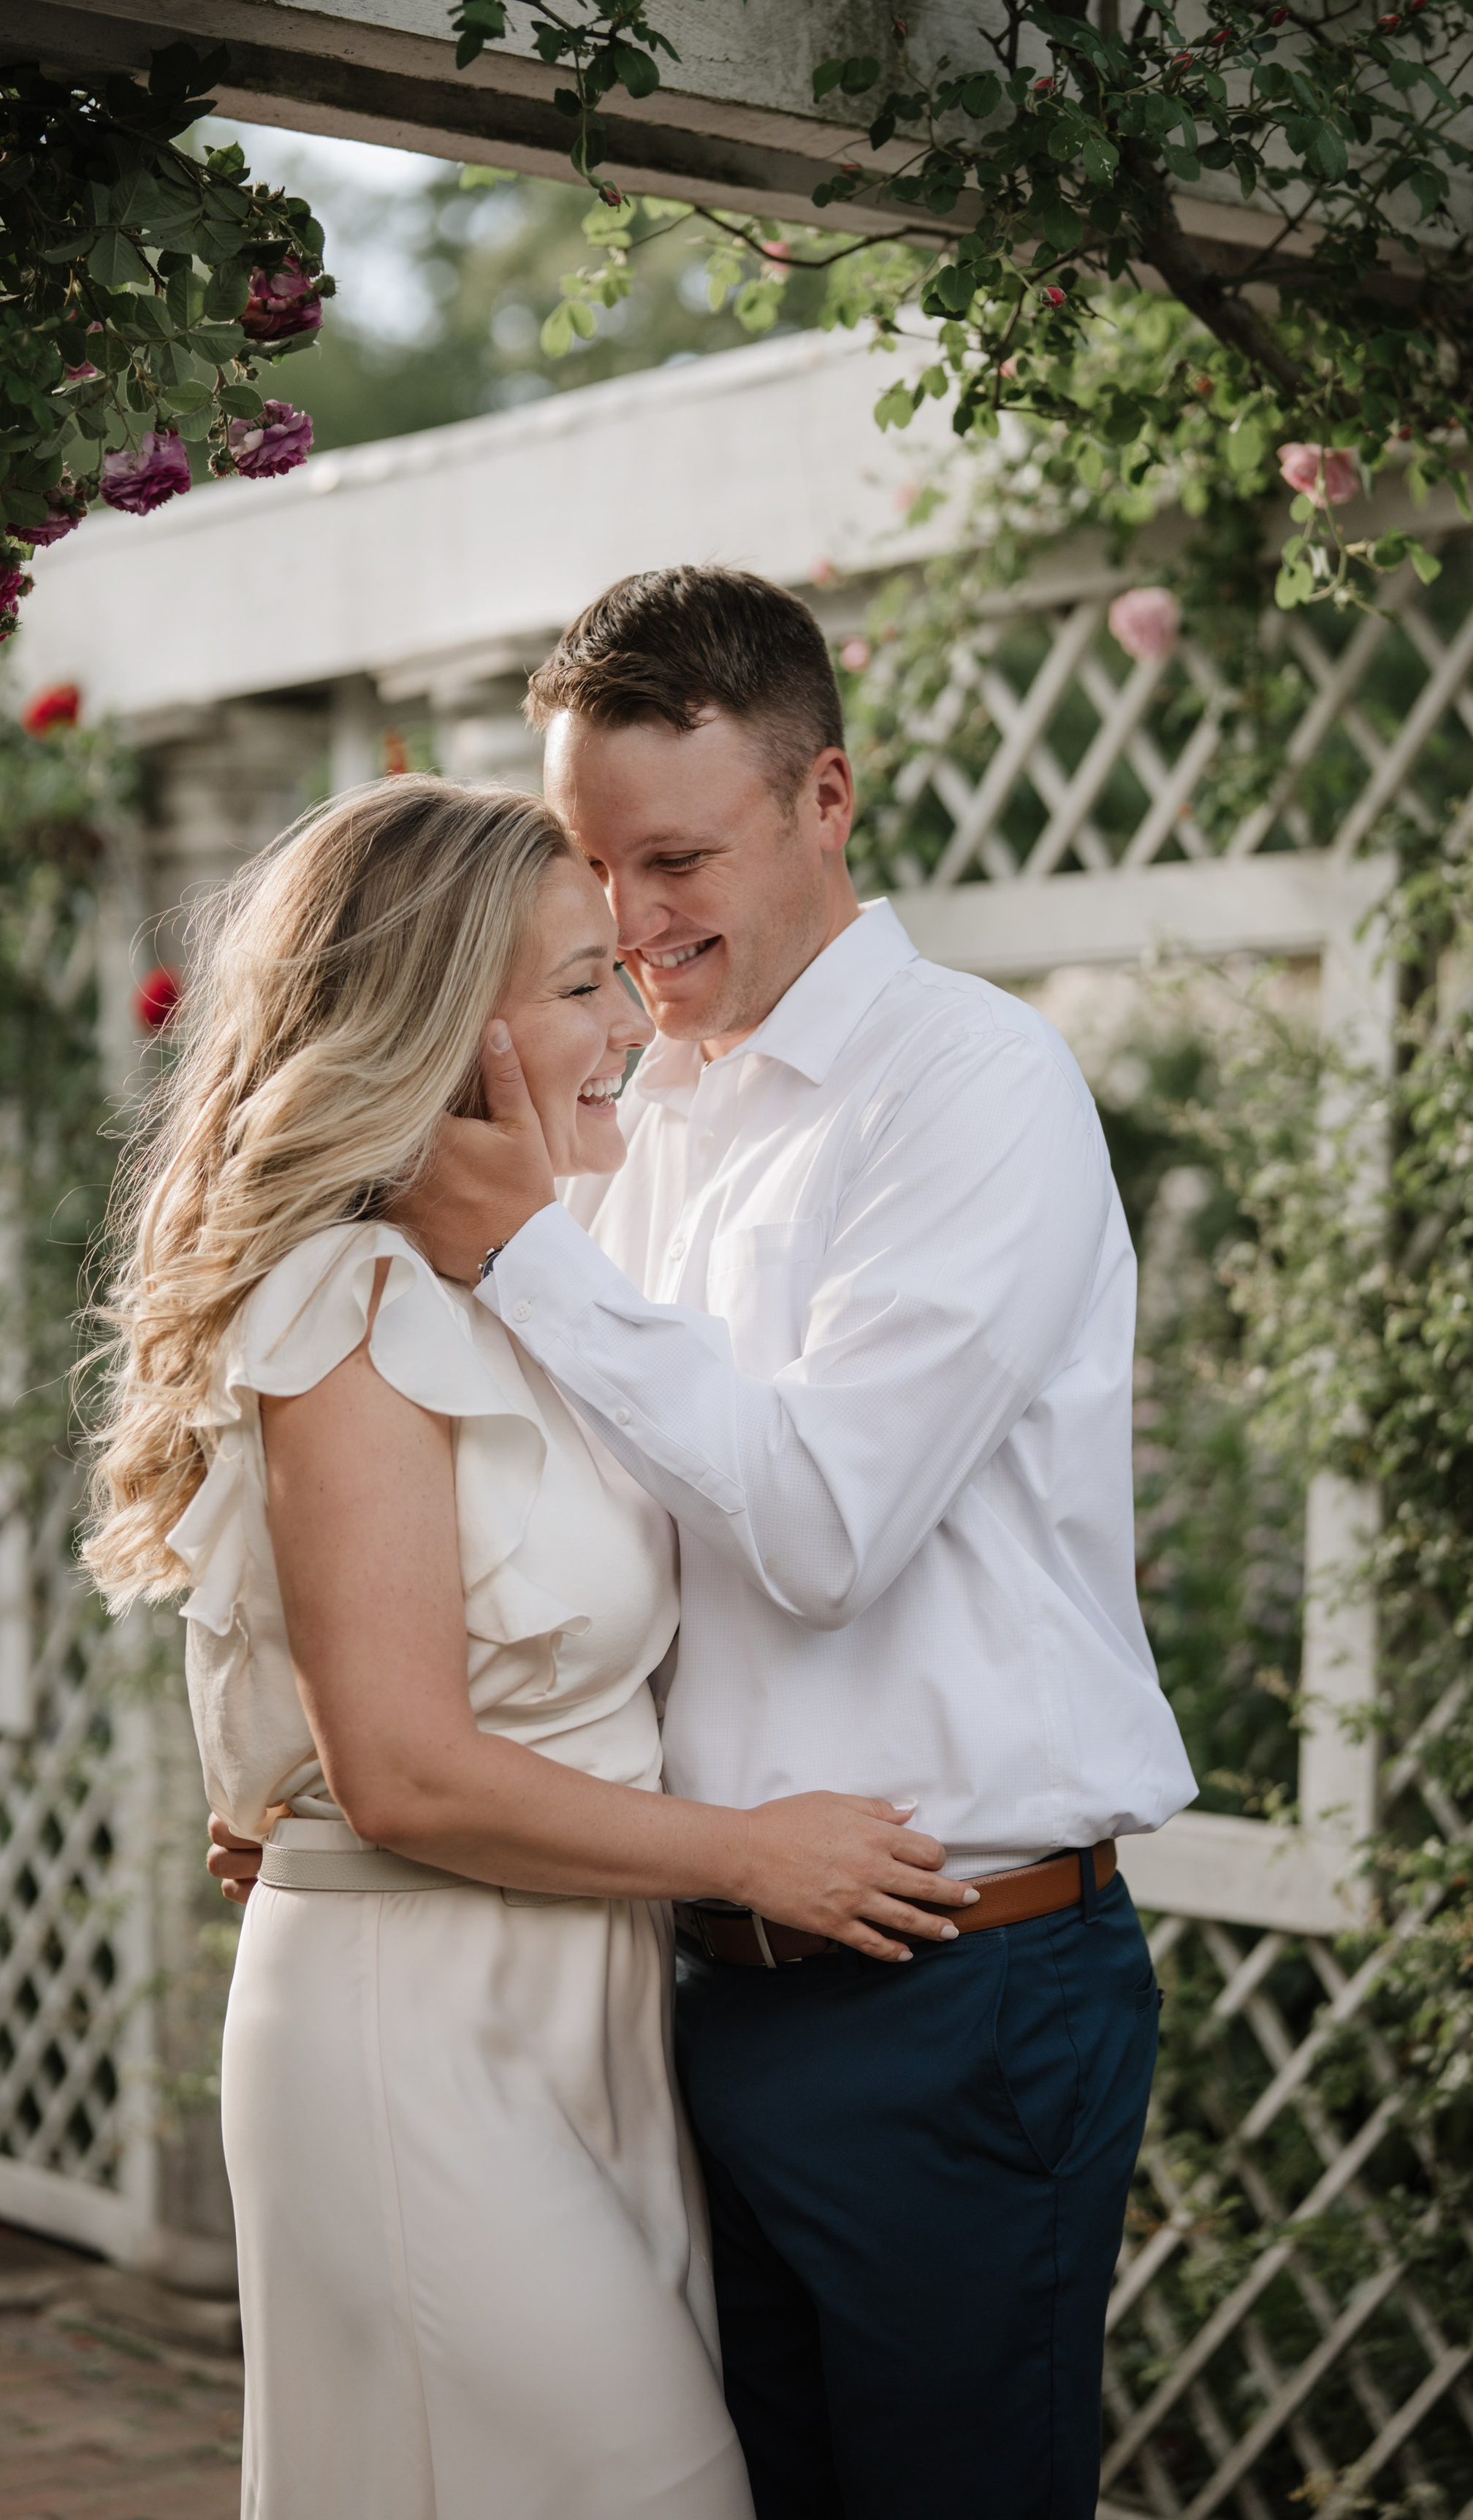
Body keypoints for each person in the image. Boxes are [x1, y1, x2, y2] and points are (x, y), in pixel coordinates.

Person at [376, 567, 1199, 2520]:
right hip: (695, 1981)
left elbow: (827, 1528)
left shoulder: (974, 1091)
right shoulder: (630, 1117)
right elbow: (571, 1532)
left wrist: (523, 1257)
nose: (631, 923)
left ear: (827, 802)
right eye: (589, 865)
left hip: (955, 1992)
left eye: (676, 857)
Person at [88, 776, 986, 2520]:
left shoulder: (521, 1286)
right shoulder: (343, 1306)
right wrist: (750, 1854)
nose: (629, 1011)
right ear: (444, 1022)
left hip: (577, 2008)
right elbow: (410, 1768)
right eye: (579, 980)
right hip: (413, 2021)